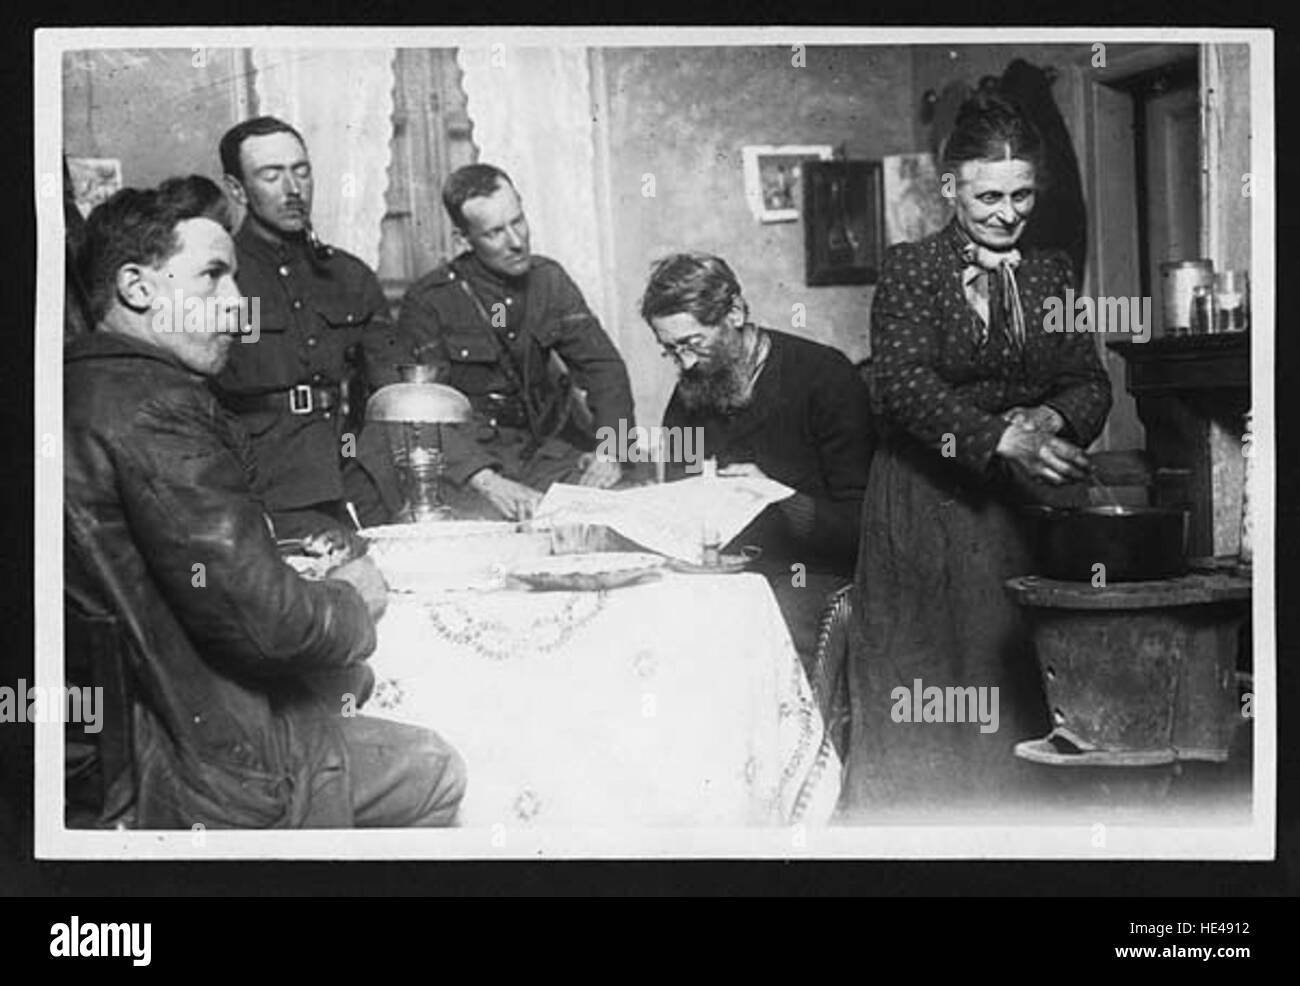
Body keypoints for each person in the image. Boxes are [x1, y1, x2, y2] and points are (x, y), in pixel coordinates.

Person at [64, 176, 465, 828]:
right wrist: (350, 600)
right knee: (435, 762)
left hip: (114, 743)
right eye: (212, 278)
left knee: (355, 686)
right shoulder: (156, 407)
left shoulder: (79, 388)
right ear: (138, 289)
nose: (236, 304)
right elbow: (267, 626)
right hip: (192, 759)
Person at [842, 87, 1112, 818]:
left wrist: (1050, 416)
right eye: (988, 194)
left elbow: (1090, 382)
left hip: (1020, 519)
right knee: (932, 692)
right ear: (949, 187)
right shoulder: (911, 270)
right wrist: (1000, 438)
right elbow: (898, 386)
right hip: (927, 510)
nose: (1006, 212)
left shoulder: (1050, 274)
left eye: (1022, 195)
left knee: (1018, 690)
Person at [641, 252, 875, 663]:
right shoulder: (689, 391)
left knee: (738, 626)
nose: (686, 363)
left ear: (734, 312)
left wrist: (778, 498)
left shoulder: (825, 377)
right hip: (723, 574)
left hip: (809, 574)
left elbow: (865, 528)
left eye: (694, 344)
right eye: (671, 351)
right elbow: (677, 501)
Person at [395, 164, 636, 521]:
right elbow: (420, 415)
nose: (517, 241)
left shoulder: (548, 281)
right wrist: (486, 481)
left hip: (548, 456)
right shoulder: (430, 301)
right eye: (495, 232)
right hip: (475, 469)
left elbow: (603, 368)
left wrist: (611, 450)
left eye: (518, 221)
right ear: (464, 239)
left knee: (623, 509)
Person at [212, 116, 408, 539]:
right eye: (271, 175)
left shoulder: (348, 276)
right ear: (237, 189)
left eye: (301, 171)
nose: (293, 189)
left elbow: (392, 388)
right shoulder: (218, 280)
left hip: (356, 475)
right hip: (265, 485)